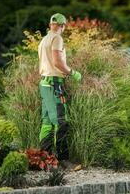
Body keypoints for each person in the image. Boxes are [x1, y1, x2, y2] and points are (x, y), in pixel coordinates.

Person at [38, 13, 81, 160]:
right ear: (62, 26)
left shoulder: (44, 40)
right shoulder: (57, 38)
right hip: (54, 84)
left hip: (44, 84)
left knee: (47, 122)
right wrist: (72, 72)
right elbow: (57, 62)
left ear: (51, 25)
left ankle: (45, 158)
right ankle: (62, 160)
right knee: (61, 121)